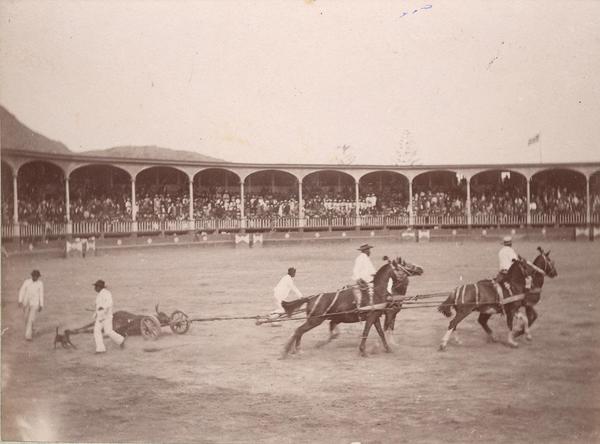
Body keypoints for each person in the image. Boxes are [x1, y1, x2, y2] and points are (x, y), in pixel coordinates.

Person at [92, 279, 126, 353]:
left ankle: (121, 340)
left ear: (99, 287)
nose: (94, 288)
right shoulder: (99, 295)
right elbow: (98, 307)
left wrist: (103, 307)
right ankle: (100, 349)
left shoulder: (107, 293)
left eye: (95, 287)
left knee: (108, 332)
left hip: (107, 317)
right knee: (96, 331)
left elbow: (109, 303)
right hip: (100, 317)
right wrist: (96, 314)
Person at [18, 269, 44, 341]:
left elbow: (41, 294)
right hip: (26, 303)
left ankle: (28, 336)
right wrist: (20, 301)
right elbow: (22, 290)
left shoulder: (40, 284)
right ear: (32, 276)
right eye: (34, 276)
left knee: (30, 319)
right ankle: (32, 329)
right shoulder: (27, 282)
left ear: (38, 277)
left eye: (37, 276)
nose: (35, 278)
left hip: (35, 304)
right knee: (26, 318)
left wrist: (41, 304)